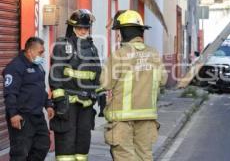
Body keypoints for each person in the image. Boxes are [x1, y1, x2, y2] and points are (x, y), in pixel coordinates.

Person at [100, 10, 168, 161]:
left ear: (125, 32)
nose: (118, 35)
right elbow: (163, 80)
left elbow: (105, 83)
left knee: (125, 157)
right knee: (144, 156)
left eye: (119, 31)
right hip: (147, 117)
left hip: (122, 119)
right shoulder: (154, 54)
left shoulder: (119, 55)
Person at [49, 9, 104, 161]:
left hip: (86, 105)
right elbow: (56, 74)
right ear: (72, 28)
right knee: (66, 142)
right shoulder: (63, 45)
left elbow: (97, 74)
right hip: (68, 104)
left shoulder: (92, 48)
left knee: (83, 143)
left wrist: (101, 95)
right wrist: (59, 101)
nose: (82, 31)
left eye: (85, 28)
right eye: (79, 28)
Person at [3, 37, 54, 161]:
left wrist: (48, 105)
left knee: (43, 145)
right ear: (30, 51)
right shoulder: (15, 67)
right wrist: (13, 114)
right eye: (40, 52)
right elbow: (10, 93)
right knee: (20, 152)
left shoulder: (38, 67)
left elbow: (41, 89)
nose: (42, 55)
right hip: (22, 116)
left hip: (37, 115)